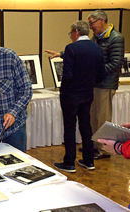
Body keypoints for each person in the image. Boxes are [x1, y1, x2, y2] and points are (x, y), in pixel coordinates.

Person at [46, 10, 125, 160]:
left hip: (106, 84)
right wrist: (62, 54)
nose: (90, 27)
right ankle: (93, 146)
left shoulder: (116, 38)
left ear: (101, 20)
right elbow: (86, 52)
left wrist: (91, 73)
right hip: (93, 84)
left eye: (91, 23)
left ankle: (104, 149)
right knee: (91, 118)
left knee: (102, 118)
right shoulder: (96, 38)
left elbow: (115, 63)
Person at [53, 21, 105, 173]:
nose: (70, 37)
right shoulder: (97, 48)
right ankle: (89, 160)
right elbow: (102, 74)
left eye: (70, 33)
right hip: (87, 93)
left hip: (70, 94)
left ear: (76, 32)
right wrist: (88, 83)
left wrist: (67, 89)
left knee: (69, 128)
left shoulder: (71, 48)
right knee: (86, 126)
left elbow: (67, 74)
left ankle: (69, 162)